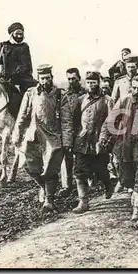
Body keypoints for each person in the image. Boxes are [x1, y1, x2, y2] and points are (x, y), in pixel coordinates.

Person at [99, 76, 138, 222]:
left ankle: (137, 212)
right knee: (127, 179)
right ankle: (134, 196)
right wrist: (103, 137)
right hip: (125, 147)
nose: (136, 91)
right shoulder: (124, 101)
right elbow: (109, 122)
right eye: (133, 88)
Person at [11, 64, 73, 213]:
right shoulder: (30, 93)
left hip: (53, 137)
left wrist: (67, 141)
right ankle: (43, 187)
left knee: (51, 170)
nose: (45, 81)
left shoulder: (60, 95)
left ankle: (49, 201)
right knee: (27, 164)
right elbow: (22, 115)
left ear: (51, 78)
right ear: (38, 79)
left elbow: (66, 120)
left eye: (47, 78)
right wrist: (17, 132)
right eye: (42, 78)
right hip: (33, 135)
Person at [71, 71, 113, 213]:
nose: (91, 85)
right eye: (88, 82)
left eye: (94, 82)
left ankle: (108, 184)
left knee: (100, 169)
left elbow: (112, 122)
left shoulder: (107, 100)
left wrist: (107, 140)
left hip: (99, 141)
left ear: (98, 83)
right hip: (82, 141)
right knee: (79, 171)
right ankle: (83, 202)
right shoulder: (80, 99)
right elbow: (75, 120)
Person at [0, 22, 37, 114]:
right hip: (6, 80)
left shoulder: (24, 47)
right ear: (12, 34)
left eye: (21, 34)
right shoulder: (3, 46)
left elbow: (27, 64)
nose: (19, 36)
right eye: (17, 34)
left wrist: (19, 74)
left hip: (23, 79)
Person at [57, 68, 88, 197]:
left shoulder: (86, 94)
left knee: (83, 159)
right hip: (69, 131)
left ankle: (86, 183)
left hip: (82, 130)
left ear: (79, 79)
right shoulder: (65, 96)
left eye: (73, 79)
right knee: (66, 159)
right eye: (68, 79)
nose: (71, 81)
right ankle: (67, 186)